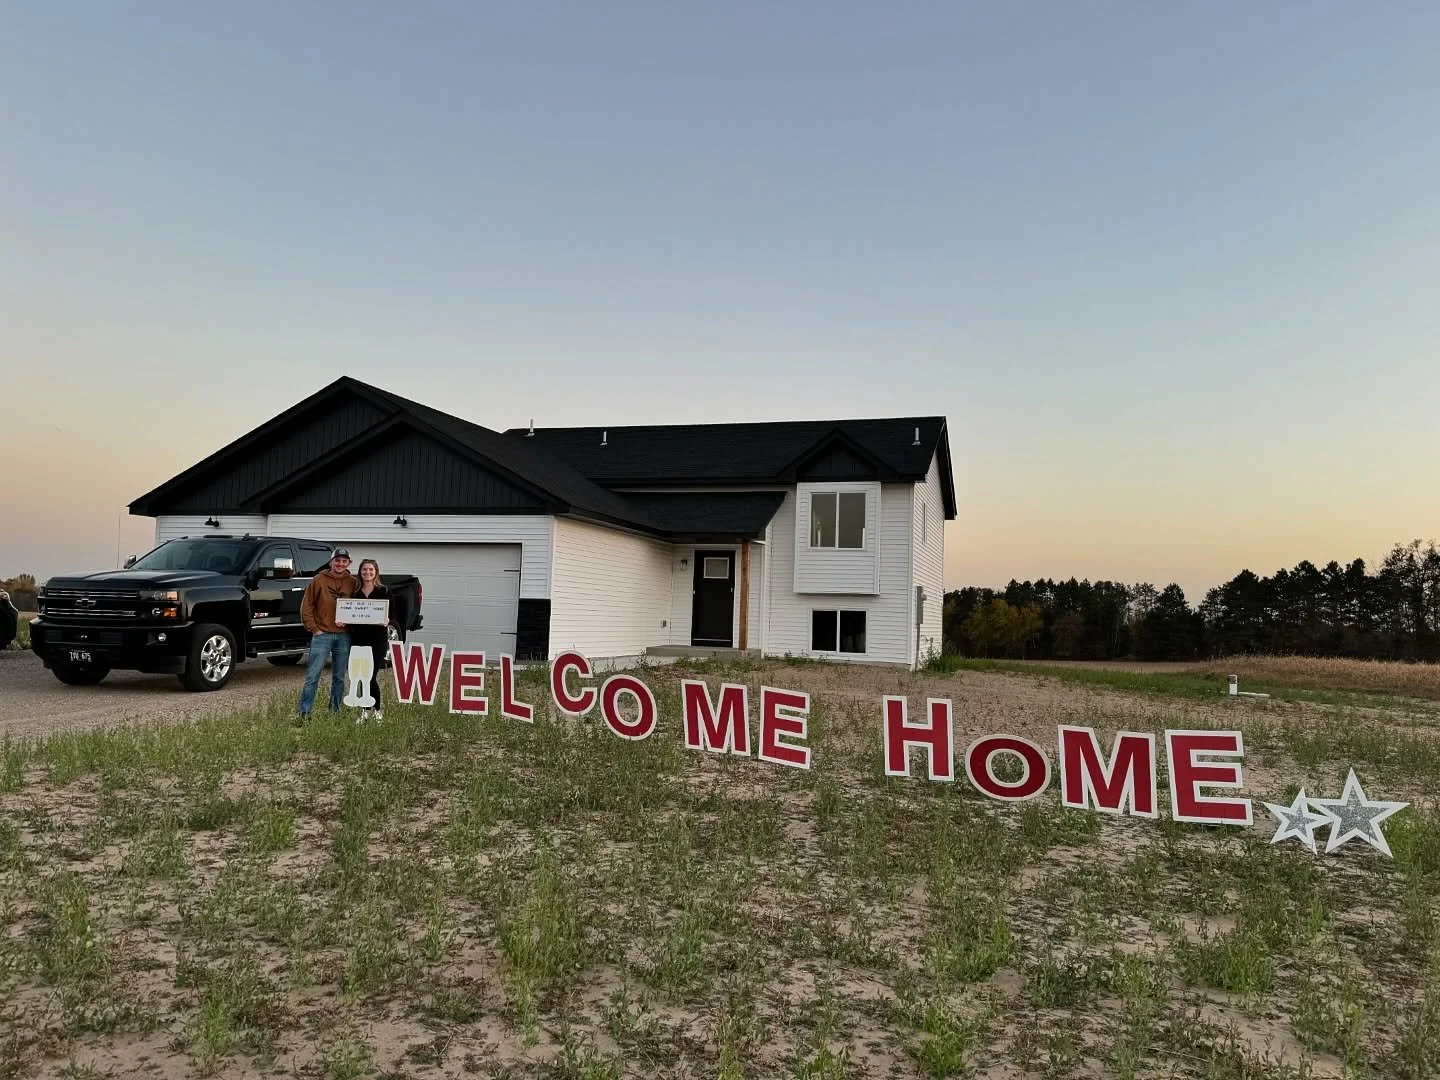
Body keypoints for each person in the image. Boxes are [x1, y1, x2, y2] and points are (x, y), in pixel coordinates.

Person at [298, 547, 358, 719]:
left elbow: (358, 607)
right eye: (337, 560)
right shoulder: (318, 580)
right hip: (321, 635)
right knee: (313, 676)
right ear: (331, 562)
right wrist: (314, 628)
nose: (340, 564)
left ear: (348, 563)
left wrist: (351, 623)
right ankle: (305, 713)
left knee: (339, 677)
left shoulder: (353, 582)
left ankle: (335, 712)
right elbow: (306, 606)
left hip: (343, 636)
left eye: (344, 561)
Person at [348, 558, 390, 722]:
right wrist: (342, 620)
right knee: (360, 676)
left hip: (378, 639)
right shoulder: (355, 592)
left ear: (376, 572)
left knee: (370, 676)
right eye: (364, 570)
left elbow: (392, 613)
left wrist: (387, 620)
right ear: (360, 572)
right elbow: (348, 611)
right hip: (359, 639)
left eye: (371, 570)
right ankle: (365, 711)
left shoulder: (384, 591)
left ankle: (377, 710)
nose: (367, 573)